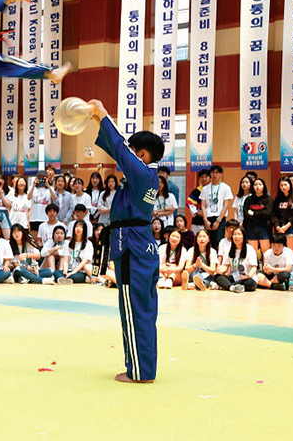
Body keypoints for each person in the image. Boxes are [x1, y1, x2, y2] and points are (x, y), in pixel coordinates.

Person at [89, 99, 164, 384]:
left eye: (134, 152)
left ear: (142, 154)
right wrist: (97, 120)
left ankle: (140, 372)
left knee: (134, 310)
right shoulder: (144, 176)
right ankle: (141, 366)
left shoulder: (143, 173)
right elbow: (117, 149)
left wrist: (104, 113)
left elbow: (120, 149)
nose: (128, 157)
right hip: (137, 245)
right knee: (141, 309)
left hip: (132, 247)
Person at [199, 165, 234, 249]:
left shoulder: (226, 187)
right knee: (207, 241)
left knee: (218, 241)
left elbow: (226, 205)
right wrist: (205, 220)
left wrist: (218, 220)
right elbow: (203, 205)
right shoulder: (205, 188)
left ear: (221, 174)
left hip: (220, 218)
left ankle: (218, 260)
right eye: (213, 173)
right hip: (208, 218)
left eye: (217, 173)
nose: (215, 175)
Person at [216, 226, 258, 293]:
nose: (236, 237)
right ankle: (232, 287)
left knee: (250, 284)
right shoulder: (229, 249)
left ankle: (225, 286)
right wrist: (220, 270)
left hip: (246, 278)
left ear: (243, 236)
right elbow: (226, 266)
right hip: (234, 277)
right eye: (234, 235)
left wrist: (249, 275)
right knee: (217, 276)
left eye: (239, 234)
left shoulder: (250, 249)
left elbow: (254, 267)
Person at [271, 176, 293, 255]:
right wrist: (277, 226)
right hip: (279, 228)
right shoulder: (278, 199)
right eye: (281, 185)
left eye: (285, 185)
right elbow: (273, 213)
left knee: (292, 252)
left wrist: (286, 226)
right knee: (279, 252)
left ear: (290, 185)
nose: (283, 187)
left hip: (291, 227)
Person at [55, 220, 93, 285]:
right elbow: (66, 260)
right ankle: (65, 279)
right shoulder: (68, 243)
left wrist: (72, 273)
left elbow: (84, 262)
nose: (78, 229)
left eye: (81, 227)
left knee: (73, 276)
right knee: (56, 272)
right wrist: (65, 270)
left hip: (80, 271)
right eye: (76, 227)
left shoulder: (88, 244)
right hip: (70, 270)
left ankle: (65, 279)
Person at [243, 178, 272, 255]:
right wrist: (259, 216)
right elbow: (246, 214)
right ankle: (254, 266)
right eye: (255, 184)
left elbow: (267, 213)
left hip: (264, 227)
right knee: (252, 252)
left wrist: (254, 214)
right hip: (251, 227)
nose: (257, 186)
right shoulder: (248, 199)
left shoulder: (268, 199)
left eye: (260, 184)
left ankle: (265, 267)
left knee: (266, 252)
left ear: (263, 186)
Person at [28, 173, 55, 242]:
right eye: (39, 178)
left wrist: (48, 185)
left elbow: (55, 198)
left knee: (45, 238)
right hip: (34, 218)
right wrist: (34, 185)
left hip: (45, 218)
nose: (41, 179)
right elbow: (28, 197)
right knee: (34, 239)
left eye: (43, 178)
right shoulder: (32, 188)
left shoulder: (50, 188)